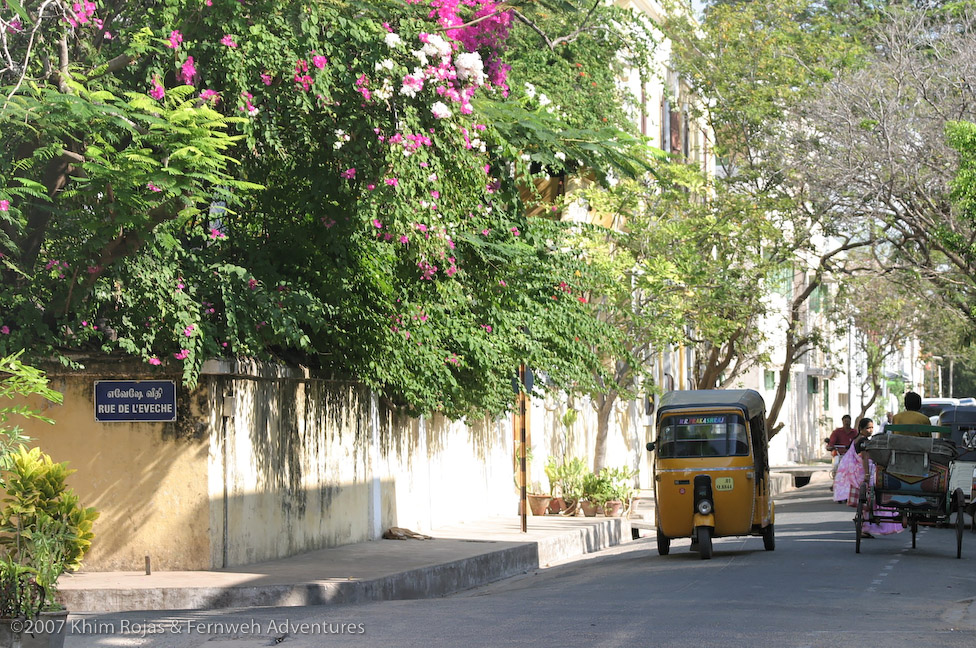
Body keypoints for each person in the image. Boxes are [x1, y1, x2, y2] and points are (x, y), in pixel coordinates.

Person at [832, 417, 904, 537]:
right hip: (864, 473)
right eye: (867, 428)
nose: (870, 430)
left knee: (865, 502)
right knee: (874, 497)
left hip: (857, 473)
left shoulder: (856, 439)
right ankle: (870, 525)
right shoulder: (863, 441)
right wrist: (867, 475)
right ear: (861, 429)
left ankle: (865, 527)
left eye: (871, 428)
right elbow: (865, 458)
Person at [826, 415, 857, 480]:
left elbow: (858, 441)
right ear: (842, 422)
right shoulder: (837, 432)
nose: (846, 423)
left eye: (848, 421)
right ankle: (835, 479)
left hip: (852, 455)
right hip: (840, 454)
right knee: (836, 464)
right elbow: (832, 442)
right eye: (845, 421)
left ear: (851, 422)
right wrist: (830, 446)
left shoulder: (854, 432)